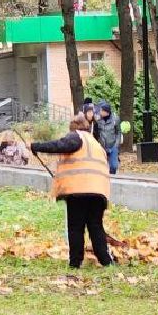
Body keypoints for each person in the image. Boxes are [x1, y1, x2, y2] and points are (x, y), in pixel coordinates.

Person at [29, 113, 114, 269]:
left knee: (76, 227)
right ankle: (105, 260)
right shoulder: (94, 143)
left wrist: (37, 146)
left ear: (74, 127)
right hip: (98, 190)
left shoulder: (76, 137)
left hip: (79, 190)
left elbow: (59, 145)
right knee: (95, 226)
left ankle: (75, 262)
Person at [92, 100, 126, 174]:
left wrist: (116, 144)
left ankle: (112, 176)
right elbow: (95, 133)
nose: (100, 112)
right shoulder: (97, 120)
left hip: (113, 145)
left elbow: (118, 132)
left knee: (113, 166)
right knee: (101, 166)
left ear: (106, 112)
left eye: (101, 110)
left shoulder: (115, 119)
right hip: (102, 146)